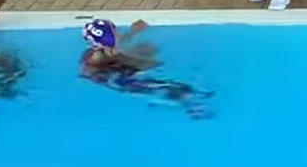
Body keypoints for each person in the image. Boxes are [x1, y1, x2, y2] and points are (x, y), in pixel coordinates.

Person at [81, 19, 211, 119]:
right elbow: (145, 64)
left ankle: (178, 98)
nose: (119, 33)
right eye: (116, 32)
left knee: (147, 47)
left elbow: (116, 44)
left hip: (114, 70)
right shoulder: (108, 58)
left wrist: (132, 32)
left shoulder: (100, 51)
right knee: (176, 89)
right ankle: (191, 108)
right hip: (118, 79)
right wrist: (151, 62)